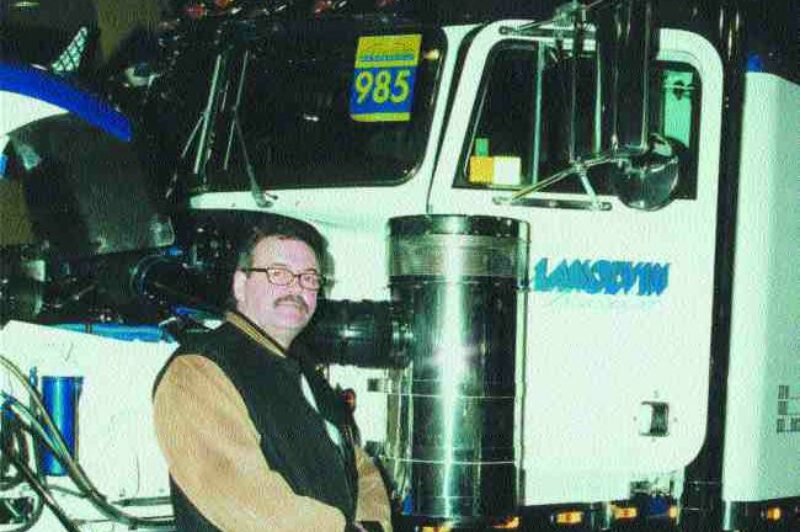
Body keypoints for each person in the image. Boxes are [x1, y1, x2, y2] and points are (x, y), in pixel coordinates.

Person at [153, 219, 392, 531]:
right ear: (240, 284)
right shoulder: (198, 370)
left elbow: (359, 467)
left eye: (309, 278)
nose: (296, 288)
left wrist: (373, 525)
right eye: (279, 274)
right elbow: (241, 497)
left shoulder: (306, 374)